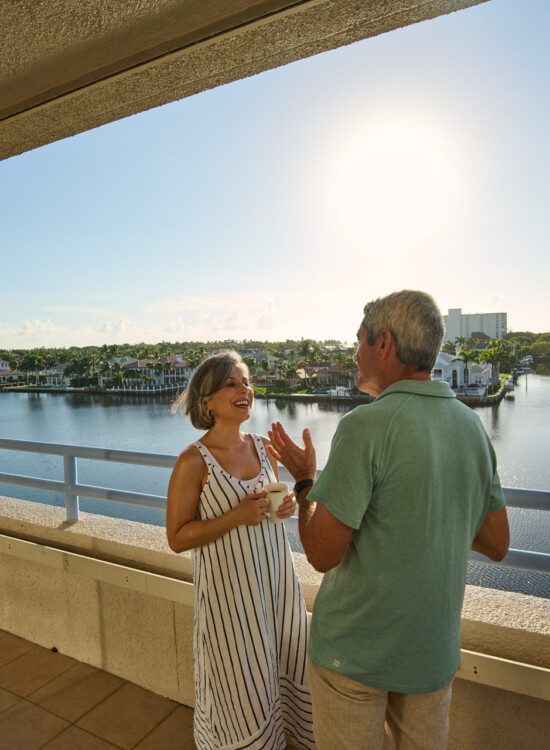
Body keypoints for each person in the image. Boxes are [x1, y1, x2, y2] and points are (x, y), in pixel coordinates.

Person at [267, 290, 509, 750]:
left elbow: (321, 553)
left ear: (385, 345)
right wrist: (434, 511)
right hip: (430, 652)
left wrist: (304, 483)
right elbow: (497, 541)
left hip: (353, 656)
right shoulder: (470, 427)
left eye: (359, 340)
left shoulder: (366, 427)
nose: (353, 353)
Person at [166, 350, 316, 750]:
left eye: (246, 381)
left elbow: (267, 511)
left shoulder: (263, 448)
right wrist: (233, 516)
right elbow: (177, 537)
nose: (244, 389)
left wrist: (283, 508)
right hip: (231, 599)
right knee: (241, 684)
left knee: (287, 666)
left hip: (276, 586)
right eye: (231, 383)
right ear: (207, 400)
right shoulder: (192, 462)